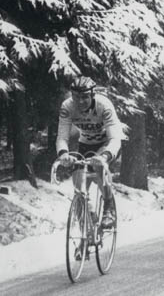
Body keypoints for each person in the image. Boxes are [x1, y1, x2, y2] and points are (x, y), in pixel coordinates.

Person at [56, 76, 123, 229]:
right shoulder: (67, 106)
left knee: (98, 169)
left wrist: (104, 156)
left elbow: (115, 138)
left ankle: (108, 208)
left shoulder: (103, 105)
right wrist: (63, 154)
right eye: (76, 97)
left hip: (107, 144)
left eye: (85, 97)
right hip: (86, 144)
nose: (80, 101)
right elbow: (62, 136)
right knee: (79, 190)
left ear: (93, 95)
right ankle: (86, 232)